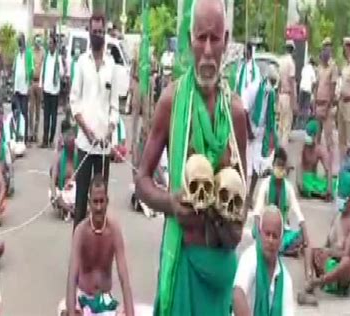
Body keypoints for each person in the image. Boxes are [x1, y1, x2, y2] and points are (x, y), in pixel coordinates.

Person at [135, 0, 248, 314]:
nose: (209, 50)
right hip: (184, 262)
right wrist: (171, 203)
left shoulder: (236, 113)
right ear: (190, 41)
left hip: (221, 275)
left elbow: (244, 197)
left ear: (226, 41)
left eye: (215, 38)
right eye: (202, 38)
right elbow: (141, 180)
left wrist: (234, 225)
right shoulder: (171, 102)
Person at [70, 13, 119, 228]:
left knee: (99, 203)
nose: (98, 35)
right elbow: (74, 102)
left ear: (105, 34)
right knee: (81, 202)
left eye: (101, 32)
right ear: (89, 33)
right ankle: (78, 253)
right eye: (94, 32)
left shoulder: (112, 66)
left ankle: (98, 250)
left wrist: (109, 129)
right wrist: (87, 130)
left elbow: (114, 106)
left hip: (103, 148)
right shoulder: (81, 63)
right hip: (84, 144)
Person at [62, 174, 134, 316]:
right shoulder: (81, 231)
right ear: (89, 202)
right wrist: (71, 311)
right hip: (82, 299)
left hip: (105, 301)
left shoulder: (114, 230)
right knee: (64, 311)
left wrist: (130, 313)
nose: (99, 207)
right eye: (95, 202)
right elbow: (72, 277)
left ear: (107, 201)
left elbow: (124, 276)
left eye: (102, 201)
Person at [297, 170, 350, 306]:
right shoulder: (337, 216)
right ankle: (309, 281)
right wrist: (322, 252)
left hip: (340, 276)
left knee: (347, 263)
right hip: (328, 264)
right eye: (339, 196)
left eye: (343, 197)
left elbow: (347, 254)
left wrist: (329, 253)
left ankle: (318, 282)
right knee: (308, 248)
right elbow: (327, 243)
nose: (340, 199)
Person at [233, 205, 295, 316]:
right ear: (260, 234)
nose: (270, 240)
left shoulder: (285, 278)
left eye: (275, 236)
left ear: (281, 241)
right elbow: (238, 294)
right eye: (267, 234)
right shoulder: (250, 257)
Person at [253, 147, 310, 256]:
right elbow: (257, 211)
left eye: (282, 166)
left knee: (299, 236)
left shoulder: (288, 187)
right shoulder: (265, 184)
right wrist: (258, 232)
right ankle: (281, 249)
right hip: (266, 228)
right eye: (278, 165)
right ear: (273, 165)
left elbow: (298, 213)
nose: (280, 169)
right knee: (256, 232)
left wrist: (306, 237)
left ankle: (276, 248)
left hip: (282, 230)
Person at [242, 65, 279, 209]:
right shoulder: (254, 88)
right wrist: (248, 130)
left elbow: (270, 117)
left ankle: (250, 196)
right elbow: (244, 109)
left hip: (260, 132)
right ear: (266, 79)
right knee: (245, 164)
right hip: (247, 127)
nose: (272, 85)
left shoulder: (271, 95)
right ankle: (242, 194)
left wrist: (271, 136)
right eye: (272, 81)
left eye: (274, 83)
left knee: (258, 165)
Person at [312, 37, 338, 176]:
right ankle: (314, 168)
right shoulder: (319, 67)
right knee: (316, 139)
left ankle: (330, 169)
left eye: (329, 47)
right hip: (318, 106)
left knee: (329, 141)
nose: (326, 50)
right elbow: (316, 86)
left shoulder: (333, 67)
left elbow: (333, 90)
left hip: (327, 108)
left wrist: (327, 107)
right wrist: (314, 103)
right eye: (324, 47)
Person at [297, 118, 334, 201]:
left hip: (314, 180)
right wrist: (299, 184)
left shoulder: (320, 150)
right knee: (307, 183)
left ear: (315, 136)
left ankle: (321, 192)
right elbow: (299, 166)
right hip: (306, 179)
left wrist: (329, 188)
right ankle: (314, 192)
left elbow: (328, 170)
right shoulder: (302, 147)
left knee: (334, 183)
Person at [41, 35, 64, 148]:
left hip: (54, 91)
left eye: (51, 43)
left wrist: (59, 67)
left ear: (55, 45)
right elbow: (42, 72)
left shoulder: (58, 58)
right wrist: (41, 85)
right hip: (46, 89)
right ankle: (45, 140)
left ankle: (51, 140)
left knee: (53, 117)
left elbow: (62, 73)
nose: (49, 46)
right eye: (48, 43)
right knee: (46, 116)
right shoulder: (46, 57)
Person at [50, 125, 77, 221]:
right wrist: (55, 195)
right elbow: (53, 181)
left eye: (72, 145)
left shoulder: (78, 157)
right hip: (62, 191)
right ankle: (69, 210)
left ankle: (70, 211)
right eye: (69, 145)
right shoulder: (59, 158)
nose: (71, 148)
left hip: (74, 192)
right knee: (54, 194)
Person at [12, 33, 34, 144]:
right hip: (17, 88)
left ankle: (25, 138)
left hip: (24, 88)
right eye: (18, 41)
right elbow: (14, 69)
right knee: (17, 112)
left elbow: (31, 69)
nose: (19, 43)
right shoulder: (17, 53)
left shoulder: (28, 53)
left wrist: (29, 83)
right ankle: (18, 135)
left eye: (20, 41)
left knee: (24, 113)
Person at [277, 40, 297, 148]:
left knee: (280, 125)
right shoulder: (291, 63)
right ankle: (283, 153)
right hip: (288, 96)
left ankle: (277, 151)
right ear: (293, 50)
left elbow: (279, 81)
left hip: (281, 95)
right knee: (286, 127)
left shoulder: (281, 61)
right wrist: (294, 102)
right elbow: (292, 82)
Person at [29, 35, 45, 143]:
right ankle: (30, 133)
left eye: (39, 41)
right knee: (31, 109)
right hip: (31, 81)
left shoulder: (43, 52)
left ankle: (36, 133)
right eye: (36, 40)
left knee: (38, 110)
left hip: (39, 82)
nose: (38, 42)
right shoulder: (30, 52)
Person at [297, 57, 317, 129]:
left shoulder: (304, 68)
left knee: (300, 107)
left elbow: (301, 77)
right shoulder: (312, 70)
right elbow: (314, 82)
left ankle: (298, 124)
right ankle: (304, 125)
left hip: (302, 89)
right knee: (306, 108)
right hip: (308, 90)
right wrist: (312, 91)